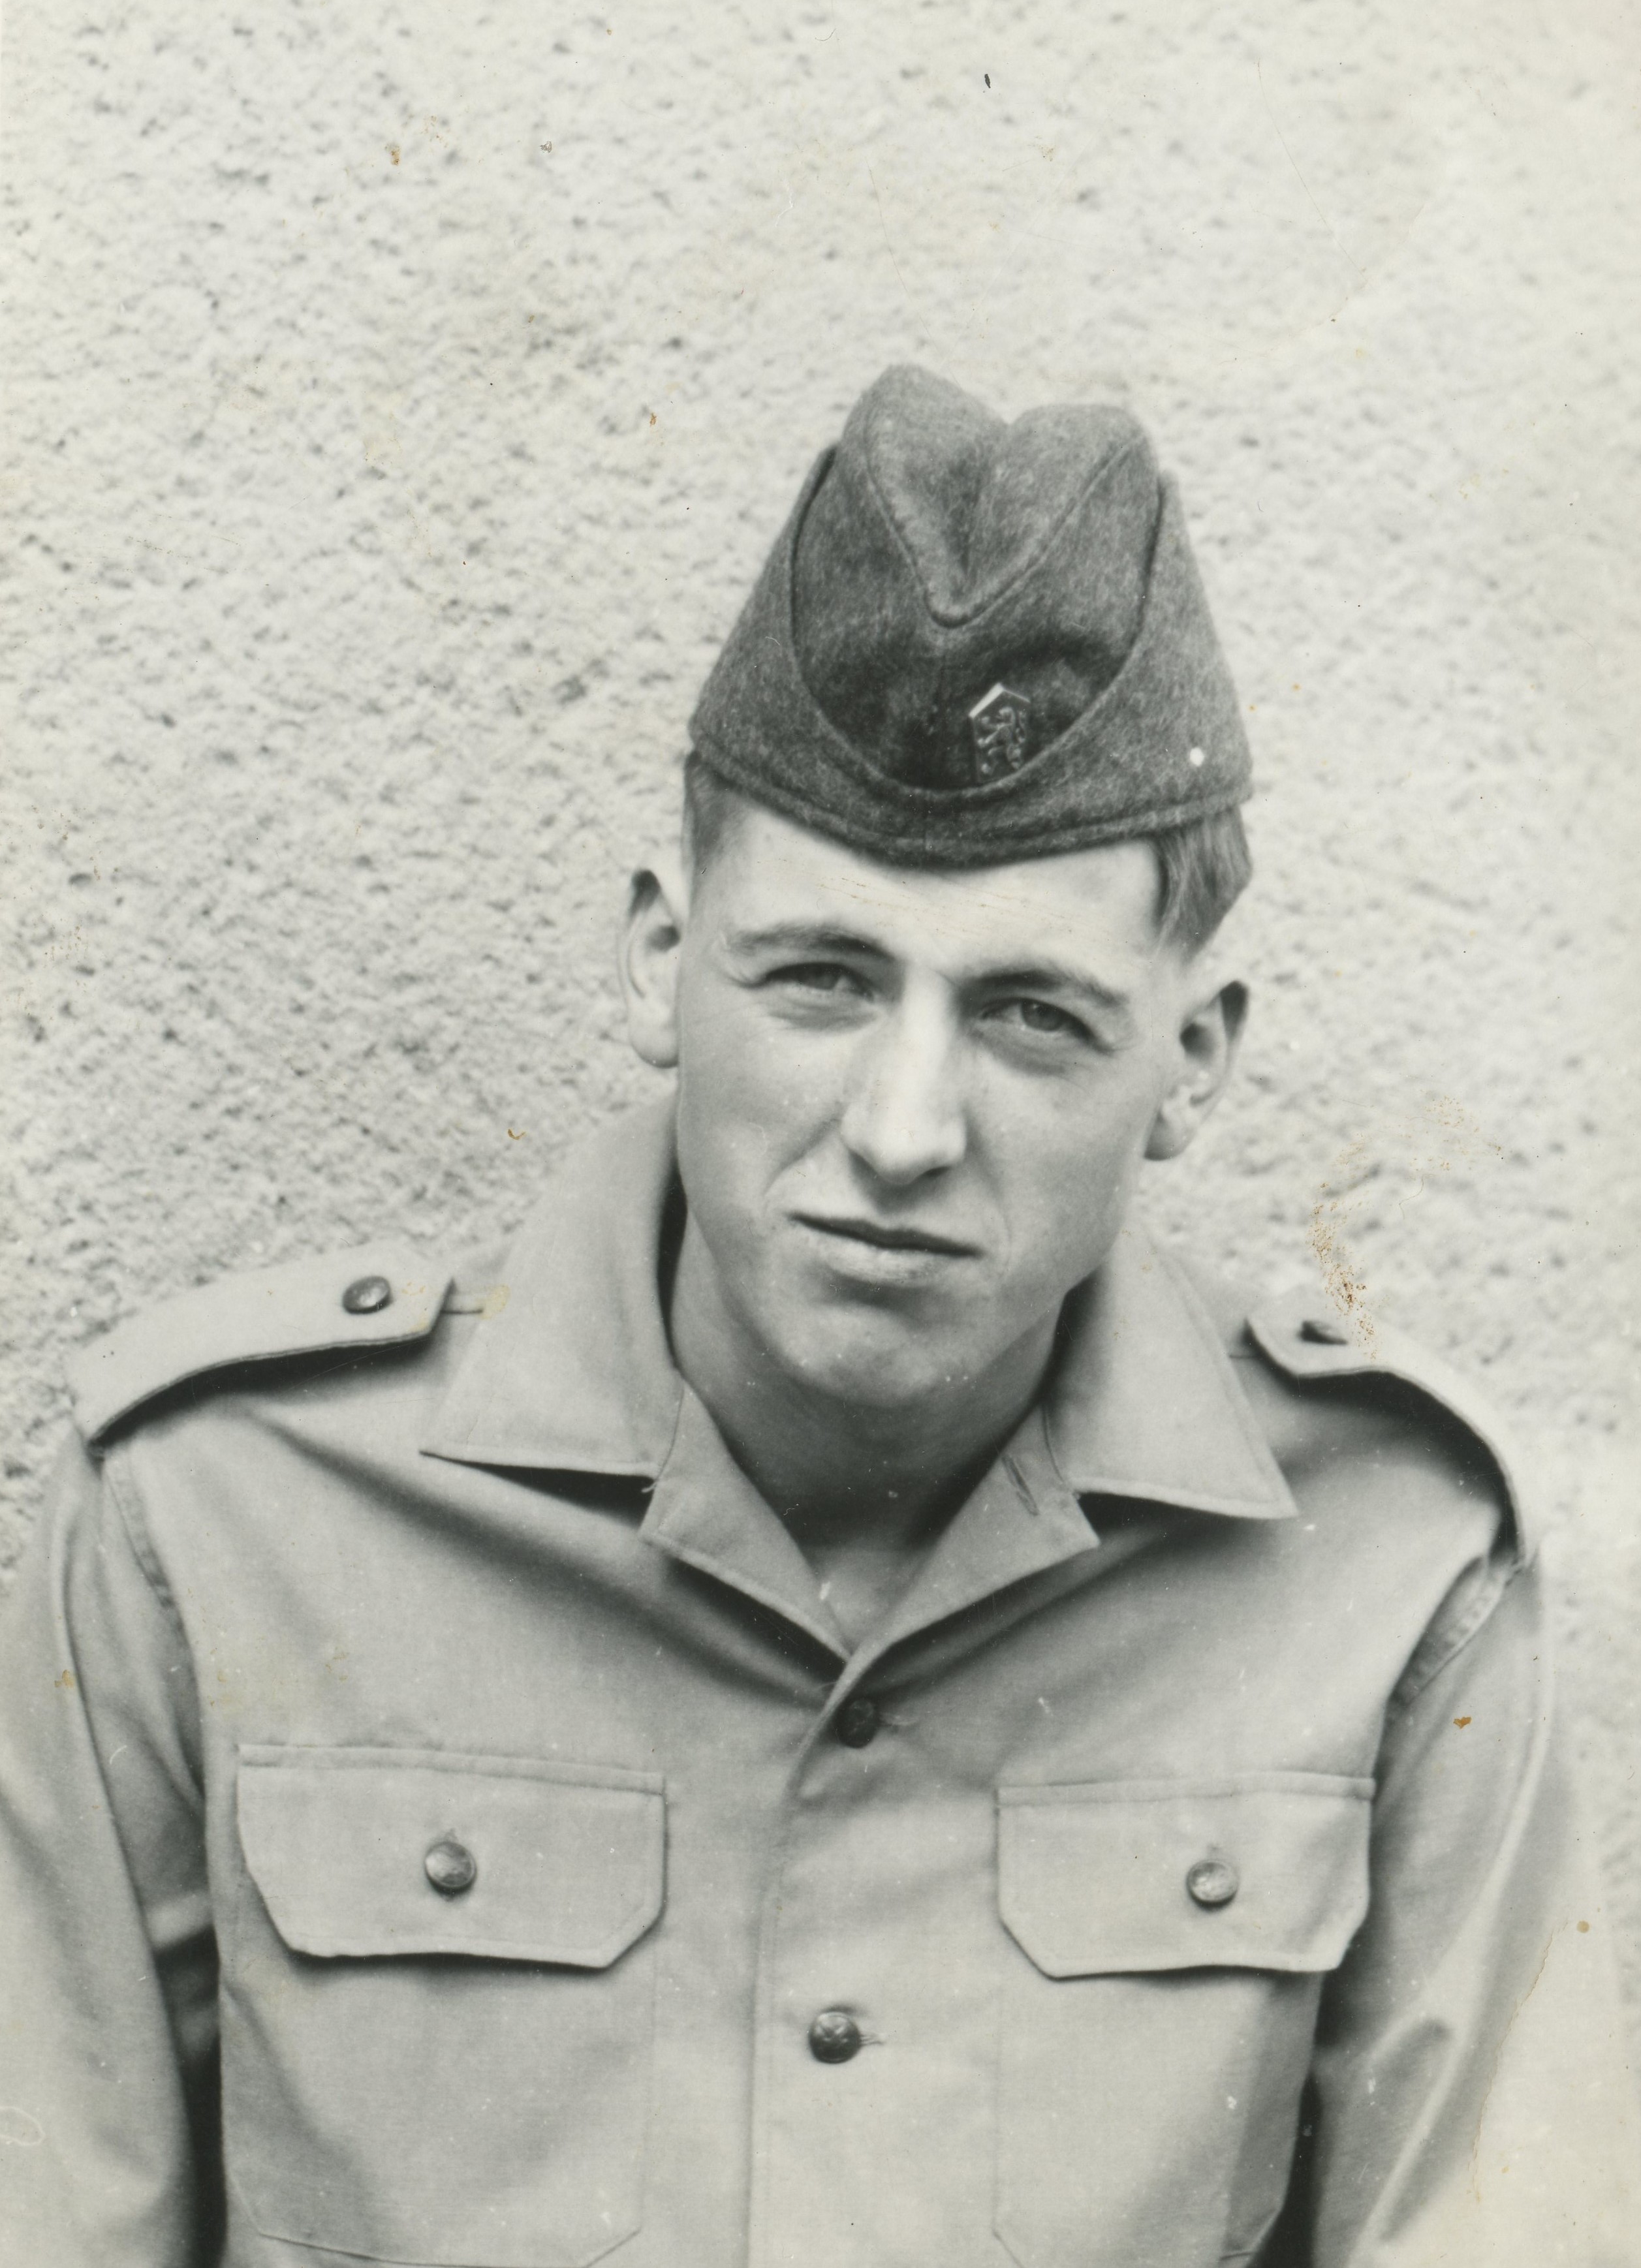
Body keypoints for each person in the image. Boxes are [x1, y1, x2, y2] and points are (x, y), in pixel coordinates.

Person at [0, 365, 1633, 2268]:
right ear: (657, 959)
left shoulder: (1389, 1574)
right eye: (822, 979)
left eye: (1032, 1016)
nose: (902, 1131)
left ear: (1190, 1065)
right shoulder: (216, 1520)